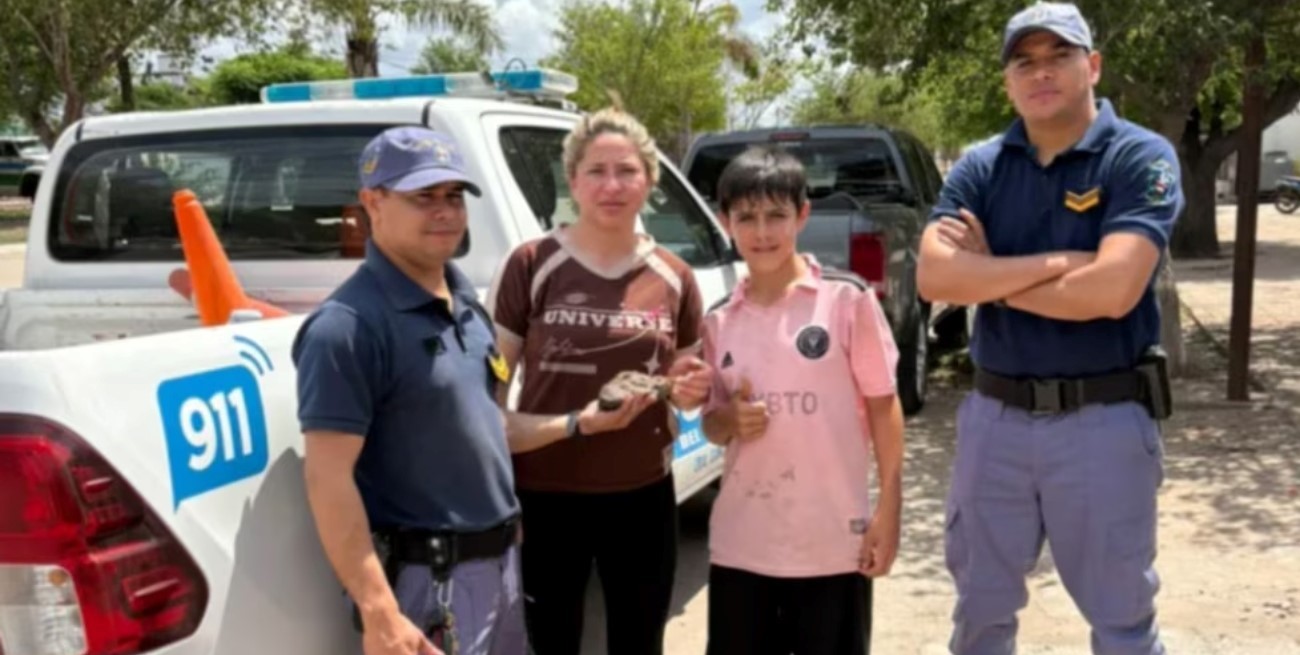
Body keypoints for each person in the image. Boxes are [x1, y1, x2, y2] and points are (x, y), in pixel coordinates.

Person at [917, 3, 1183, 654]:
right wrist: (1057, 266)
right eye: (1024, 61)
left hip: (1104, 417)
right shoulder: (981, 166)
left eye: (1058, 56)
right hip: (994, 420)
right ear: (1007, 81)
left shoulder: (1139, 156)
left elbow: (1114, 290)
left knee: (1122, 622)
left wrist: (989, 275)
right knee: (979, 613)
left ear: (1091, 65)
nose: (1041, 73)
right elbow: (934, 278)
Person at [484, 107, 712, 655]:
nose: (612, 186)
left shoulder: (674, 277)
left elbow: (691, 386)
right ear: (573, 181)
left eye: (628, 171)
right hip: (545, 495)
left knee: (639, 641)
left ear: (650, 182)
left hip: (642, 496)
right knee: (550, 642)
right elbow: (486, 408)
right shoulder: (531, 263)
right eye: (596, 171)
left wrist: (690, 392)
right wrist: (573, 425)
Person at [293, 125, 528, 655]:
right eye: (423, 197)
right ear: (372, 203)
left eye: (453, 196)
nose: (444, 211)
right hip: (429, 585)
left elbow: (484, 429)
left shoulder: (466, 303)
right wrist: (380, 612)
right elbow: (327, 478)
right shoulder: (347, 327)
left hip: (500, 570)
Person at [698, 146, 905, 655]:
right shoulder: (720, 319)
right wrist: (729, 419)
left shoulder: (845, 300)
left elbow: (883, 405)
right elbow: (710, 425)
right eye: (746, 217)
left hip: (831, 545)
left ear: (803, 215)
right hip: (742, 546)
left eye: (776, 216)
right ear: (725, 222)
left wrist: (889, 510)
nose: (762, 232)